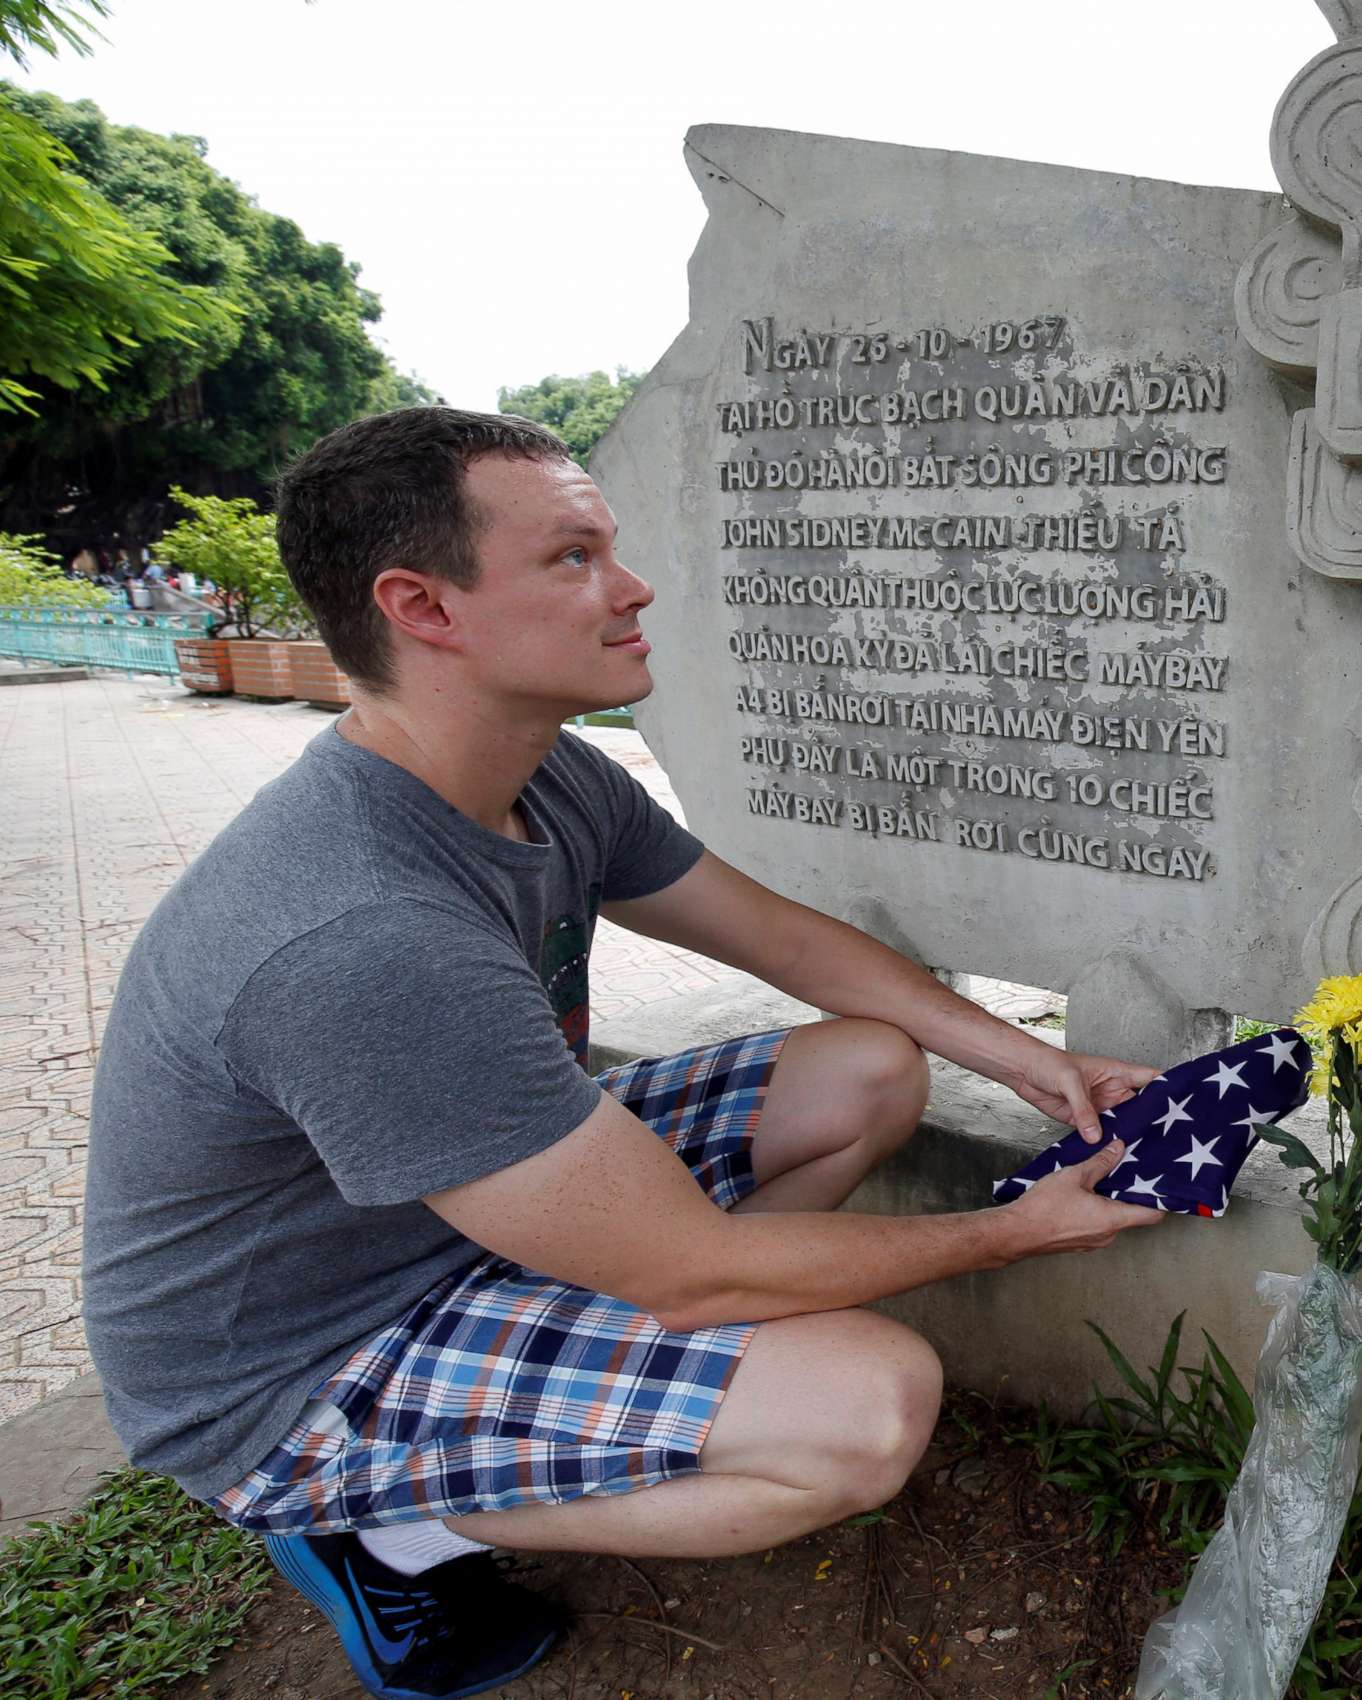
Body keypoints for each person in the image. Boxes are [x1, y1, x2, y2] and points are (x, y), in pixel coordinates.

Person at [81, 406, 1168, 1700]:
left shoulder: (541, 774)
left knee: (867, 1066)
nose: (633, 584)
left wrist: (1033, 1067)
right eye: (573, 558)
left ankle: (601, 1346)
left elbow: (787, 944)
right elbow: (702, 1274)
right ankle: (388, 1528)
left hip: (461, 1217)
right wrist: (1016, 1228)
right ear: (424, 608)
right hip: (295, 1365)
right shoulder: (364, 931)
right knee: (866, 1407)